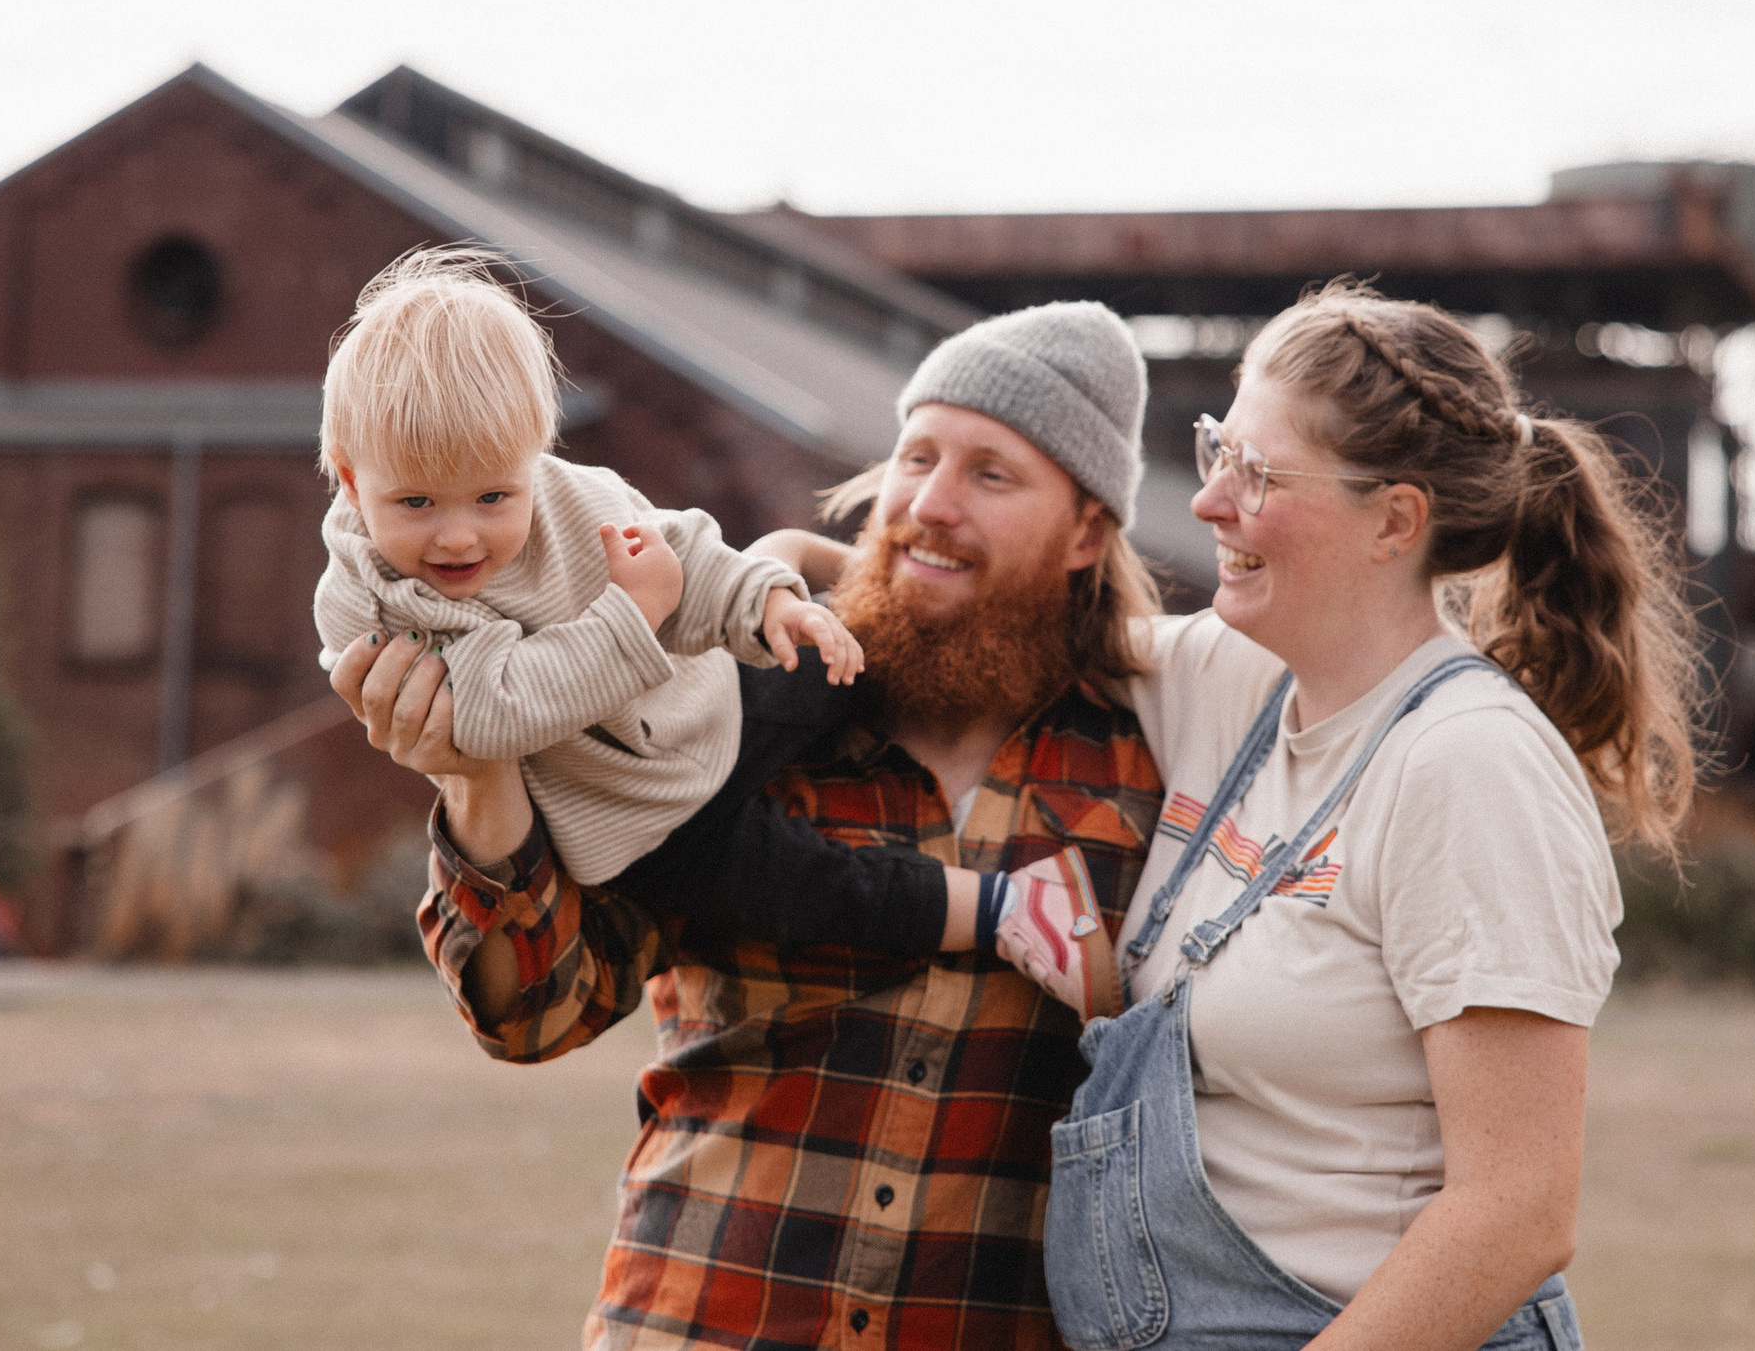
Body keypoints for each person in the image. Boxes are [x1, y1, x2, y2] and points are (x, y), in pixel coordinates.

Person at [334, 299, 1168, 1350]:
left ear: (1087, 529)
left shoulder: (1147, 766)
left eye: (990, 474)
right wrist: (478, 778)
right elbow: (531, 1019)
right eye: (916, 457)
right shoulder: (747, 702)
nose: (927, 504)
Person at [1030, 280, 1709, 1351]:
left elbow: (1517, 1212)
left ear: (1394, 519)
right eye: (1218, 450)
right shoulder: (1234, 674)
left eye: (1256, 475)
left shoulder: (1469, 767)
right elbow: (1010, 637)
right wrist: (769, 577)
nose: (1209, 502)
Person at [315, 249, 1094, 973]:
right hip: (644, 824)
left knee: (837, 646)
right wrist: (633, 609)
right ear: (352, 482)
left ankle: (1037, 646)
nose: (458, 534)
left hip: (710, 694)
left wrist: (761, 598)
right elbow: (496, 710)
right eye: (414, 502)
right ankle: (1012, 909)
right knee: (802, 886)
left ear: (535, 456)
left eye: (494, 496)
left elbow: (679, 554)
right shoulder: (376, 602)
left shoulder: (569, 498)